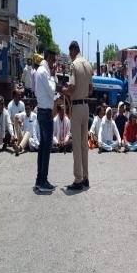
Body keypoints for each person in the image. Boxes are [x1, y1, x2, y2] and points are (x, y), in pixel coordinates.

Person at [62, 41, 93, 191]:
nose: (69, 55)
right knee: (83, 145)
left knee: (77, 145)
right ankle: (86, 177)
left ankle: (78, 179)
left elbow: (72, 87)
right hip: (86, 106)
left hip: (77, 107)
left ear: (74, 50)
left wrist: (64, 90)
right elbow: (91, 89)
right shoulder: (88, 64)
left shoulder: (74, 65)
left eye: (70, 52)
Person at [34, 49, 57, 192]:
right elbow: (51, 90)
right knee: (45, 148)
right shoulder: (43, 72)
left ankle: (40, 179)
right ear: (48, 58)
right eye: (53, 60)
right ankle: (42, 181)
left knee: (43, 147)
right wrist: (53, 77)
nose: (54, 63)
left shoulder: (41, 71)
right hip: (45, 112)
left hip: (43, 111)